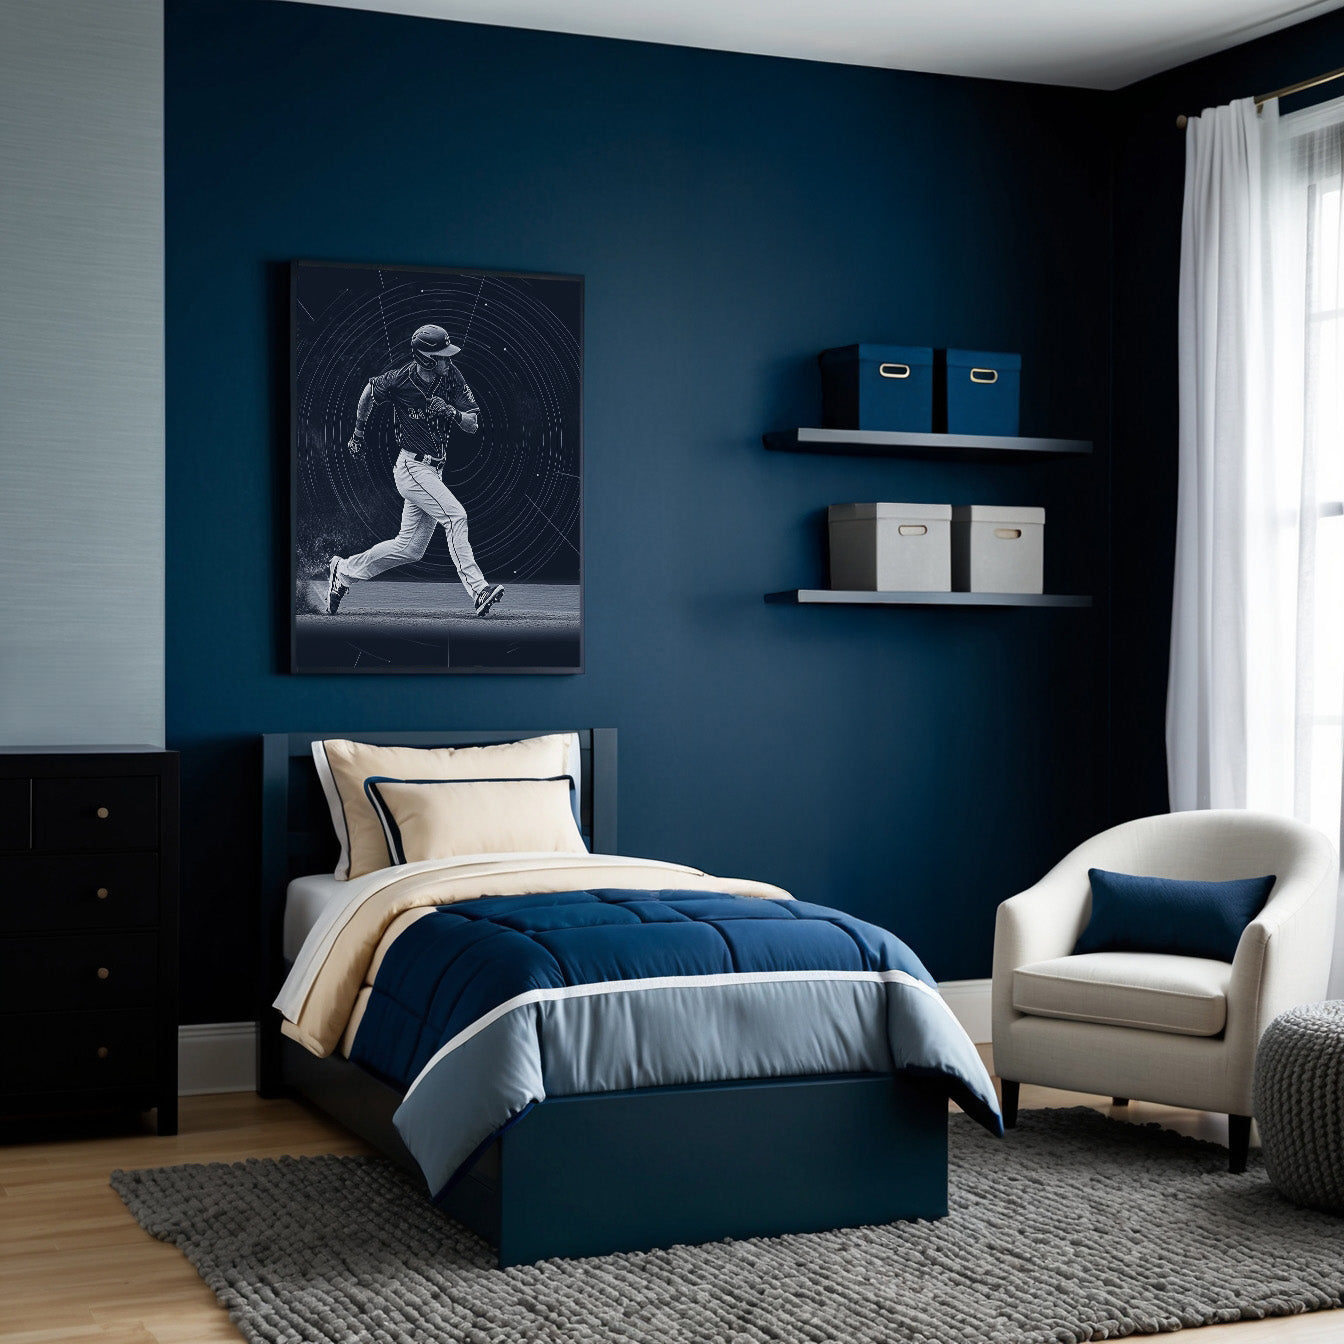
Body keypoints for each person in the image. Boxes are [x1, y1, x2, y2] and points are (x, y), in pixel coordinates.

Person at [325, 324, 505, 617]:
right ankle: (478, 589)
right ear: (426, 358)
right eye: (443, 355)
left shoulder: (452, 377)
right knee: (456, 516)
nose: (449, 360)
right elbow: (369, 391)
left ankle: (343, 571)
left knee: (409, 548)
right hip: (412, 467)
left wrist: (451, 411)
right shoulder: (400, 379)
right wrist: (358, 432)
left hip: (433, 471)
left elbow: (472, 424)